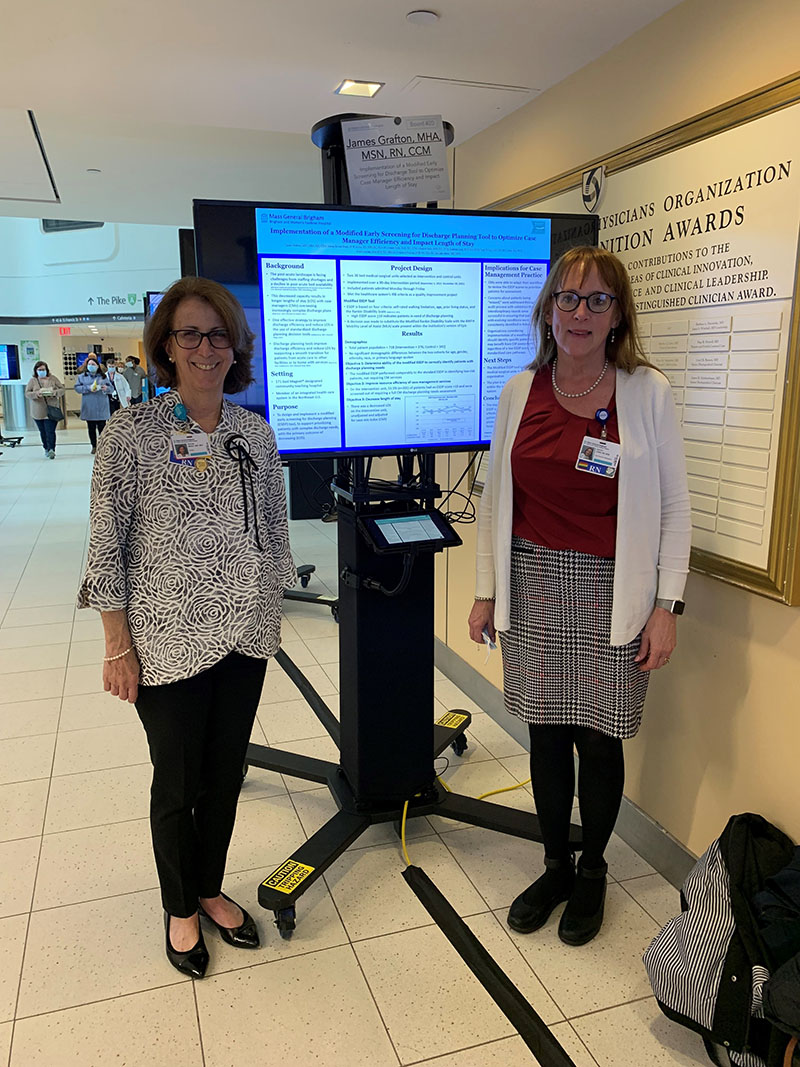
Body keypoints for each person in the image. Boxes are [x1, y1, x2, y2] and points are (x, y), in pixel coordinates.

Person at [468, 246, 691, 947]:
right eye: (568, 298)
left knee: (598, 738)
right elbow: (495, 496)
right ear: (548, 311)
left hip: (611, 588)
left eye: (598, 300)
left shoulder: (646, 391)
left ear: (619, 313)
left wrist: (668, 603)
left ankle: (593, 868)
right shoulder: (518, 391)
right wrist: (484, 592)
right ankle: (554, 862)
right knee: (544, 733)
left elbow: (676, 507)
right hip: (531, 581)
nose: (581, 313)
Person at [78, 276, 296, 979]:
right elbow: (105, 545)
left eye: (218, 334)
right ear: (166, 349)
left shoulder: (253, 433)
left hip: (244, 640)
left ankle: (209, 884)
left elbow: (273, 531)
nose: (206, 348)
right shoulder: (130, 435)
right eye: (189, 335)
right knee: (177, 781)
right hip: (167, 640)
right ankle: (179, 903)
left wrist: (271, 610)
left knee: (224, 776)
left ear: (237, 347)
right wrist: (117, 646)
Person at [25, 361, 65, 458]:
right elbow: (27, 393)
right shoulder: (33, 381)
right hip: (38, 411)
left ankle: (52, 449)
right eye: (39, 370)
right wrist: (36, 394)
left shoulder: (53, 379)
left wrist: (54, 393)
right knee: (43, 431)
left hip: (51, 409)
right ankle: (46, 448)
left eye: (43, 369)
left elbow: (62, 389)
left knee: (50, 430)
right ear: (36, 371)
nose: (42, 372)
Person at [74, 357, 112, 453]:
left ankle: (102, 446)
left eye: (93, 364)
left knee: (102, 428)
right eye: (89, 364)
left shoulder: (103, 377)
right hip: (89, 406)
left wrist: (105, 388)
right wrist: (88, 388)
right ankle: (94, 446)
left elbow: (111, 389)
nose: (91, 366)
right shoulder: (82, 377)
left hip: (101, 405)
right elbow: (77, 388)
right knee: (91, 428)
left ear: (97, 366)